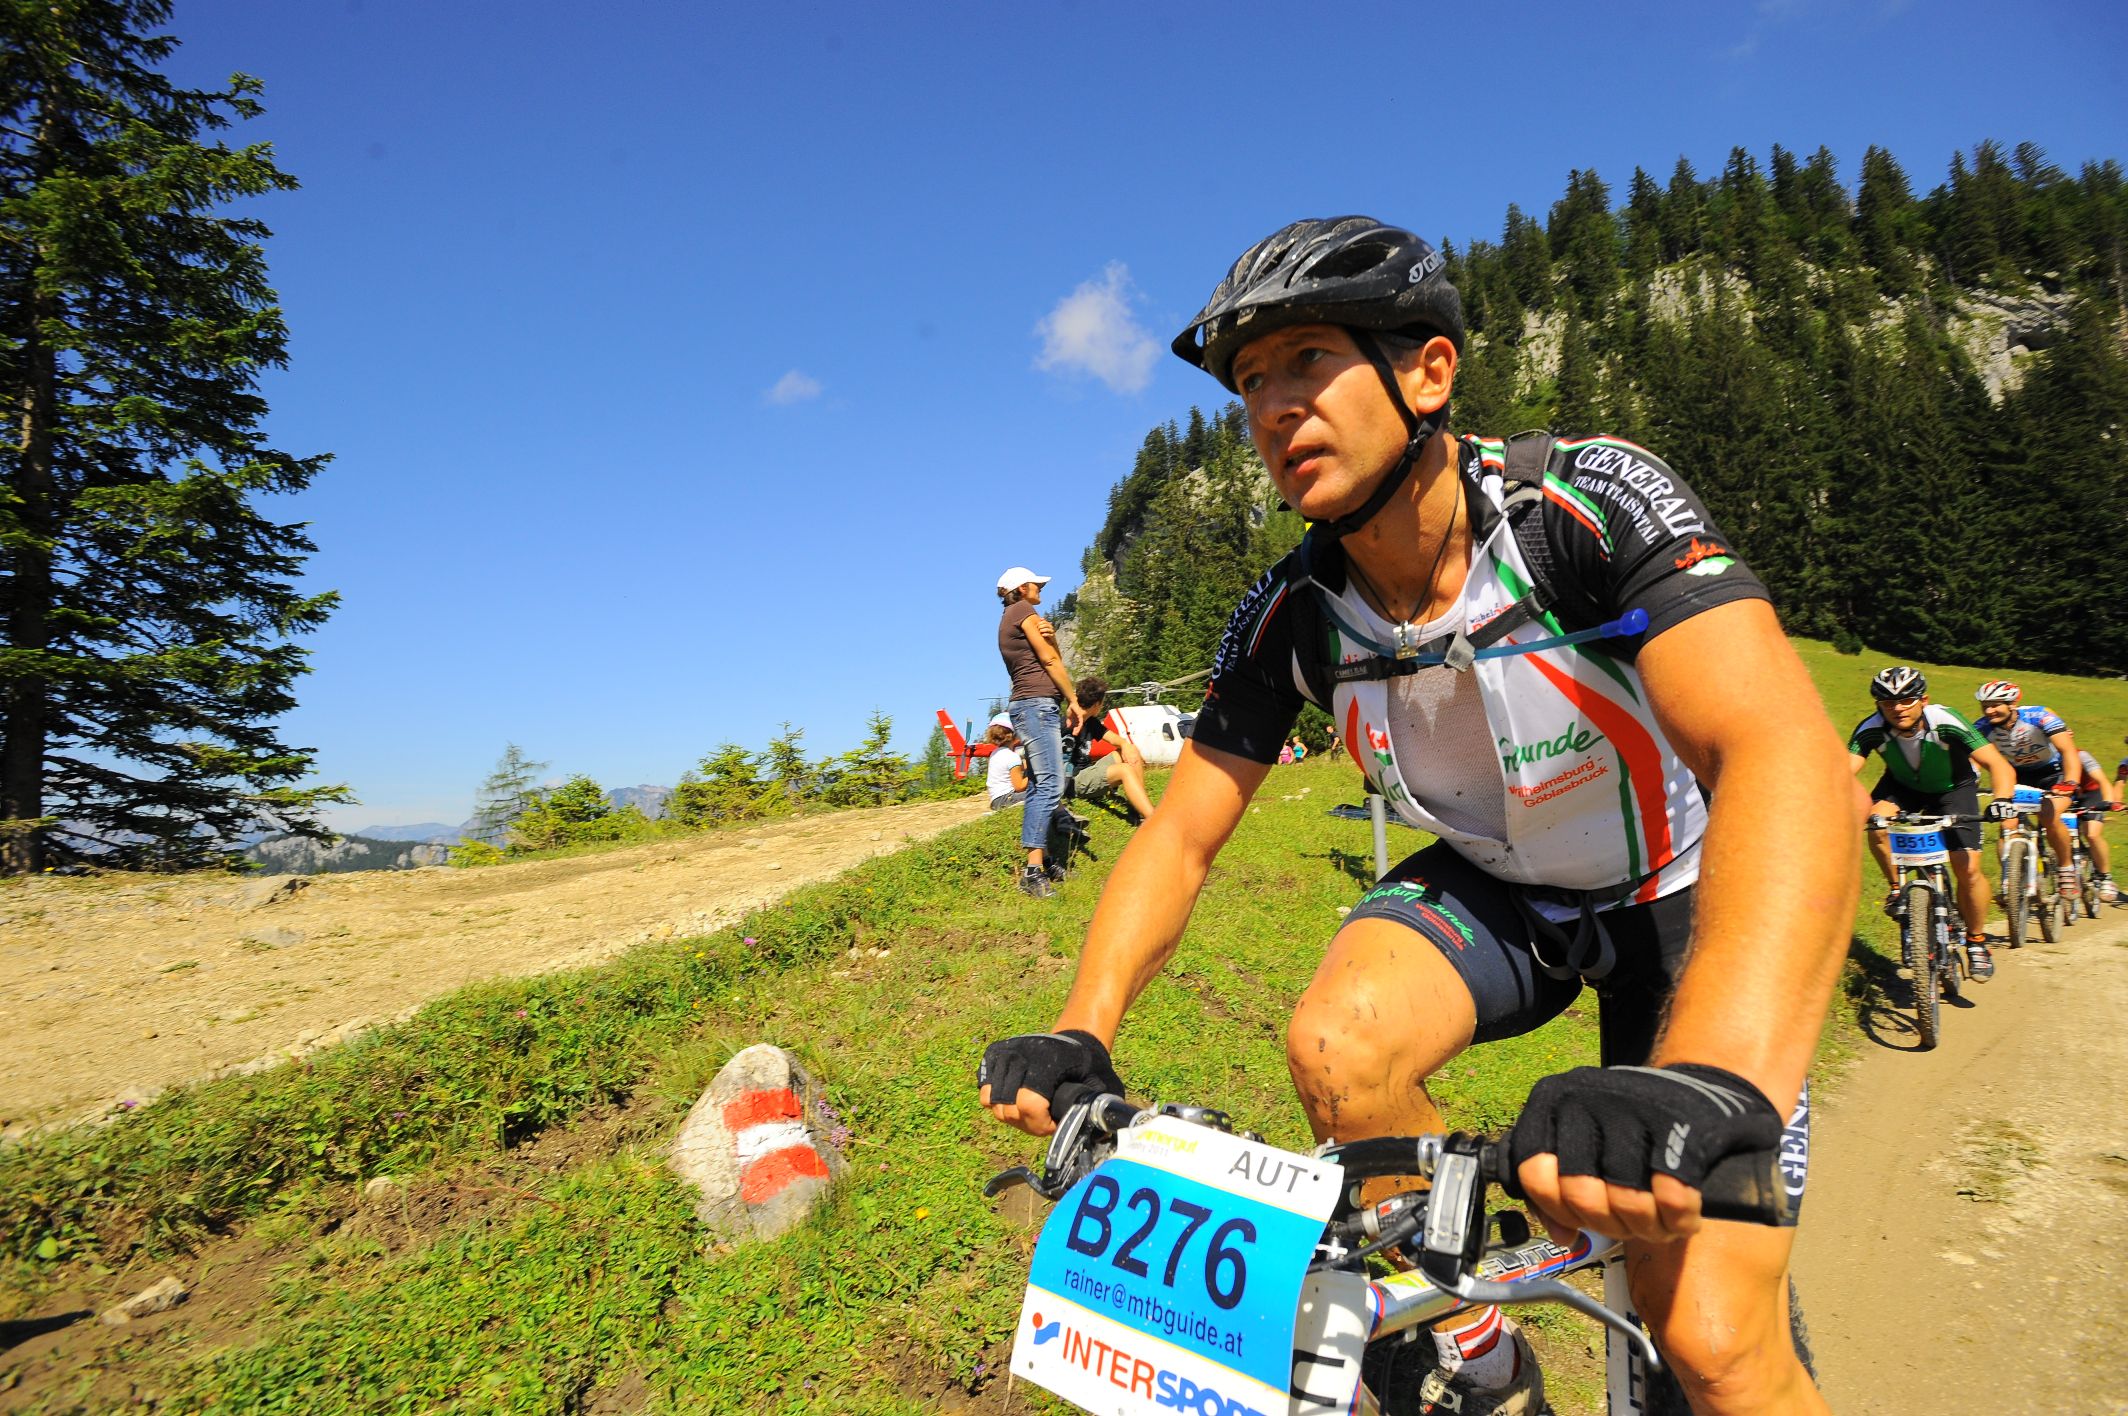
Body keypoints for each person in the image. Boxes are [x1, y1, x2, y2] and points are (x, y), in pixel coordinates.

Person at [977, 217, 1856, 1416]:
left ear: (1428, 372)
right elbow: (1179, 834)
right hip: (1507, 890)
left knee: (1710, 1343)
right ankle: (1479, 1355)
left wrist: (1713, 1074)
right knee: (1338, 1051)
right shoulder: (1293, 612)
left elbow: (1780, 751)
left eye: (1306, 360)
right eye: (1250, 382)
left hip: (1679, 887)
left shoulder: (1577, 504)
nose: (1272, 406)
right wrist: (1083, 1029)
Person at [1846, 666, 2017, 979]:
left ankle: (1977, 941)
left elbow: (1998, 764)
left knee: (1967, 868)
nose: (1897, 708)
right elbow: (1842, 773)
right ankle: (1897, 889)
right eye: (1888, 702)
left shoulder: (1946, 720)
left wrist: (2002, 799)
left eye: (1906, 700)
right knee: (1876, 822)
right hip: (1902, 788)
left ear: (1923, 700)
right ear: (1878, 705)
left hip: (1954, 789)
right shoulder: (1871, 728)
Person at [996, 566, 1083, 898]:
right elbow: (1049, 661)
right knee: (1051, 784)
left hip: (1032, 706)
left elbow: (1050, 654)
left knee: (1038, 785)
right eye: (1036, 584)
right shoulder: (1023, 611)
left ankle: (1043, 861)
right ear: (1022, 588)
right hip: (1036, 707)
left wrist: (1053, 638)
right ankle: (1032, 873)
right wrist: (1074, 700)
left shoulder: (1012, 616)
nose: (1041, 588)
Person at [1971, 681, 2085, 899]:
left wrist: (2070, 781)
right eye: (1985, 706)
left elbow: (2068, 750)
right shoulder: (1982, 727)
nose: (1989, 711)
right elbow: (1973, 758)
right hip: (2016, 776)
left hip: (2053, 774)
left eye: (1995, 705)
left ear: (2012, 704)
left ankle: (2066, 867)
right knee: (2007, 824)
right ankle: (2010, 883)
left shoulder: (2038, 716)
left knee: (2049, 815)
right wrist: (1972, 777)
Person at [1065, 678, 1158, 824]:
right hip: (1073, 781)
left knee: (1132, 750)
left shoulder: (1091, 722)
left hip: (1088, 771)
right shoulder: (1067, 723)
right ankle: (1152, 819)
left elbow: (1114, 739)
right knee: (1125, 770)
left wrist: (1125, 745)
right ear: (1097, 704)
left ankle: (1137, 808)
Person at [2070, 748, 2118, 901]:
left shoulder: (2081, 755)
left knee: (2092, 834)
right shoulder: (2043, 757)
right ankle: (2080, 853)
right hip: (2067, 796)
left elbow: (2102, 780)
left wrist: (2108, 802)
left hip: (2091, 794)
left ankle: (2105, 877)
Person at [984, 716, 1029, 811]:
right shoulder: (1012, 756)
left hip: (995, 801)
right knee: (1041, 793)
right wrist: (1035, 775)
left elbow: (1019, 768)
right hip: (1007, 799)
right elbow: (1019, 786)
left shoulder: (995, 753)